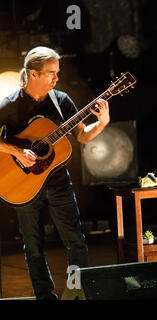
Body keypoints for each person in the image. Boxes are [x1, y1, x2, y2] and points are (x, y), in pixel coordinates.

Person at [0, 46, 110, 299]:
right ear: (33, 74)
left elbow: (82, 135)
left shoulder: (61, 101)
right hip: (22, 184)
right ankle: (44, 295)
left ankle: (76, 293)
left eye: (57, 73)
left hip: (59, 181)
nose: (57, 78)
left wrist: (101, 124)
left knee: (76, 241)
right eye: (51, 73)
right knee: (34, 247)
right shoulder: (10, 104)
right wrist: (17, 152)